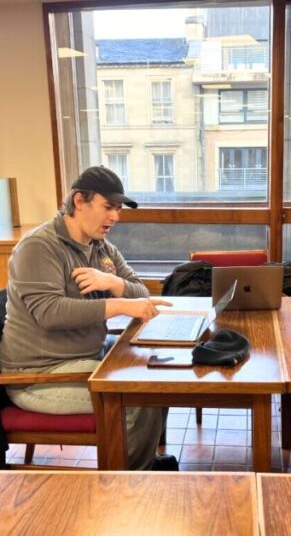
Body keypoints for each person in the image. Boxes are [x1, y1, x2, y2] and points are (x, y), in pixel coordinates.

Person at [0, 166, 175, 470]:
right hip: (39, 373)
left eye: (118, 209)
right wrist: (118, 306)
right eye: (108, 207)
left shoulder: (100, 248)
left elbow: (140, 291)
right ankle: (129, 483)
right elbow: (50, 313)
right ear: (79, 201)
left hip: (85, 355)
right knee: (139, 398)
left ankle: (140, 463)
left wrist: (114, 284)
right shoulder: (38, 247)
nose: (115, 217)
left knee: (157, 372)